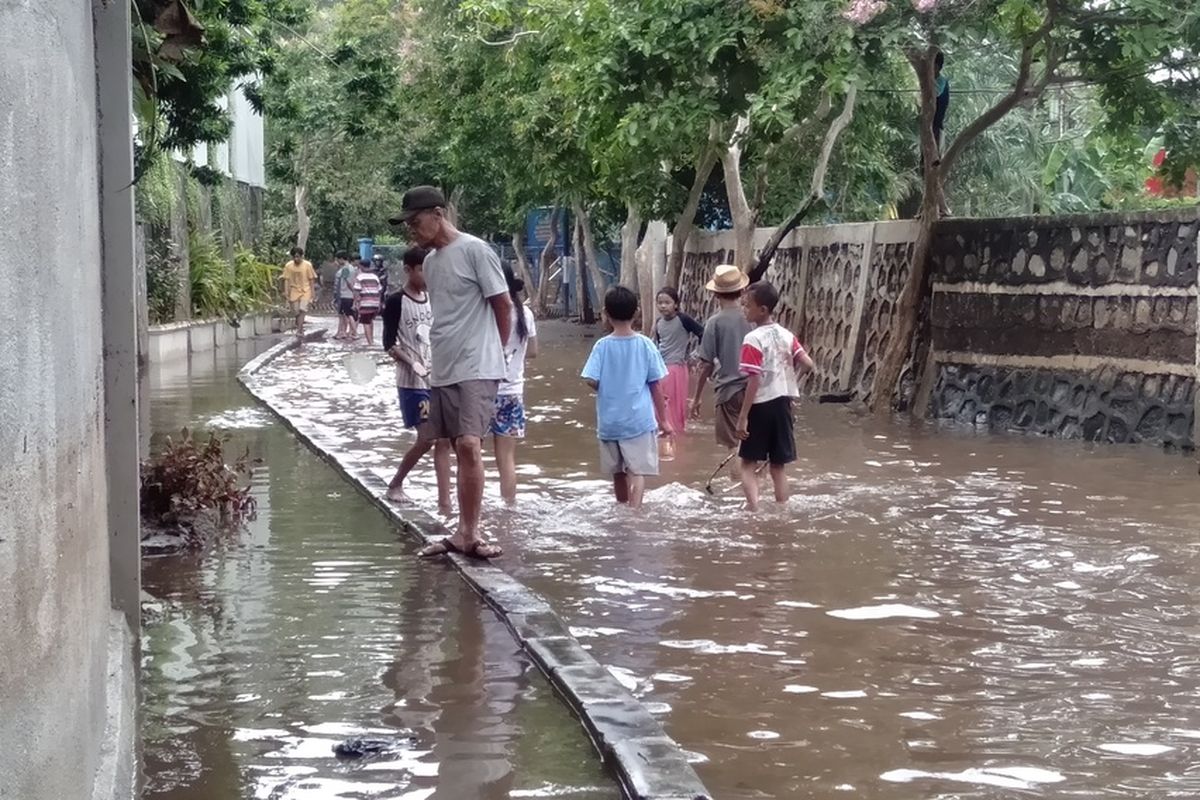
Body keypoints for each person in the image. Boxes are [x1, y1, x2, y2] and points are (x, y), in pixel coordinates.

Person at [391, 186, 511, 560]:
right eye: (408, 223)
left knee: (469, 444)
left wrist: (496, 352)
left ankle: (469, 533)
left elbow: (502, 305)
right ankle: (461, 530)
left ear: (438, 214)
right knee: (449, 445)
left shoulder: (475, 250)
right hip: (443, 366)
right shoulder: (430, 263)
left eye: (415, 220)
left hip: (477, 364)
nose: (411, 229)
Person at [581, 285, 672, 510]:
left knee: (618, 472)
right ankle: (635, 511)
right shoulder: (645, 345)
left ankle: (621, 507)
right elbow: (655, 386)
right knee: (638, 470)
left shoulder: (601, 346)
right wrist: (664, 421)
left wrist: (609, 389)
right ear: (637, 313)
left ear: (605, 314)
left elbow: (590, 379)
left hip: (610, 422)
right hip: (638, 421)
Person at [382, 246, 452, 515]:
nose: (426, 274)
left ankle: (444, 503)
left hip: (439, 377)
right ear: (408, 270)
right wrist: (412, 362)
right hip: (411, 382)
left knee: (444, 440)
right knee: (426, 439)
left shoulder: (434, 297)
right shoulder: (395, 301)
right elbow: (388, 344)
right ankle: (395, 484)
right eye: (422, 269)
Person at [735, 281, 815, 511]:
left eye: (747, 306)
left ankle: (754, 511)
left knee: (748, 464)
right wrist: (792, 385)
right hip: (783, 404)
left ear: (762, 309)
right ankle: (782, 513)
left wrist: (743, 416)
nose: (744, 309)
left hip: (760, 405)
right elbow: (808, 364)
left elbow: (754, 380)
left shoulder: (753, 339)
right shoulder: (786, 335)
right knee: (778, 467)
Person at [690, 265, 754, 453]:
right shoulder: (753, 317)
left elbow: (706, 365)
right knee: (756, 447)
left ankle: (740, 481)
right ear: (742, 291)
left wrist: (697, 398)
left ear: (716, 295)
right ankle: (758, 482)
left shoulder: (714, 323)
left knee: (735, 447)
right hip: (757, 390)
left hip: (730, 391)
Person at [491, 264, 538, 505]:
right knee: (507, 459)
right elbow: (533, 352)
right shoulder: (525, 314)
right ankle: (508, 509)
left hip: (482, 391)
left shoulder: (486, 309)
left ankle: (471, 514)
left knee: (471, 457)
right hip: (512, 392)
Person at [652, 286, 704, 436]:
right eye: (660, 302)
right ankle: (664, 434)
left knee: (672, 404)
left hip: (676, 368)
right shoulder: (658, 323)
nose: (663, 306)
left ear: (676, 304)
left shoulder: (683, 319)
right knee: (660, 404)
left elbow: (703, 333)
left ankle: (674, 436)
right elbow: (658, 345)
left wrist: (696, 355)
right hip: (660, 368)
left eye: (667, 302)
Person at [279, 247, 317, 335]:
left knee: (302, 309)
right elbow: (286, 279)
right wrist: (286, 292)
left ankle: (299, 330)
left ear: (302, 256)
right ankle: (299, 324)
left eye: (298, 257)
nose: (296, 259)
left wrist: (312, 293)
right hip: (294, 290)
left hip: (305, 290)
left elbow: (311, 280)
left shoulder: (307, 265)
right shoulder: (289, 266)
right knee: (296, 311)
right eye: (295, 257)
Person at [352, 259, 383, 346]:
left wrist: (355, 303)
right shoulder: (375, 277)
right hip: (375, 303)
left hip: (365, 303)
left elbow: (356, 291)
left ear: (361, 266)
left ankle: (370, 343)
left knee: (365, 322)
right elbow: (380, 290)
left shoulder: (360, 277)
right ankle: (372, 339)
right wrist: (379, 303)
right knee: (370, 321)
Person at [332, 252, 358, 340]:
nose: (337, 261)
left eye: (338, 259)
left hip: (345, 295)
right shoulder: (351, 268)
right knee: (345, 315)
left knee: (347, 315)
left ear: (342, 259)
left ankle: (354, 332)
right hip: (348, 295)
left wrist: (353, 291)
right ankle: (342, 332)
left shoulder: (346, 269)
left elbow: (347, 282)